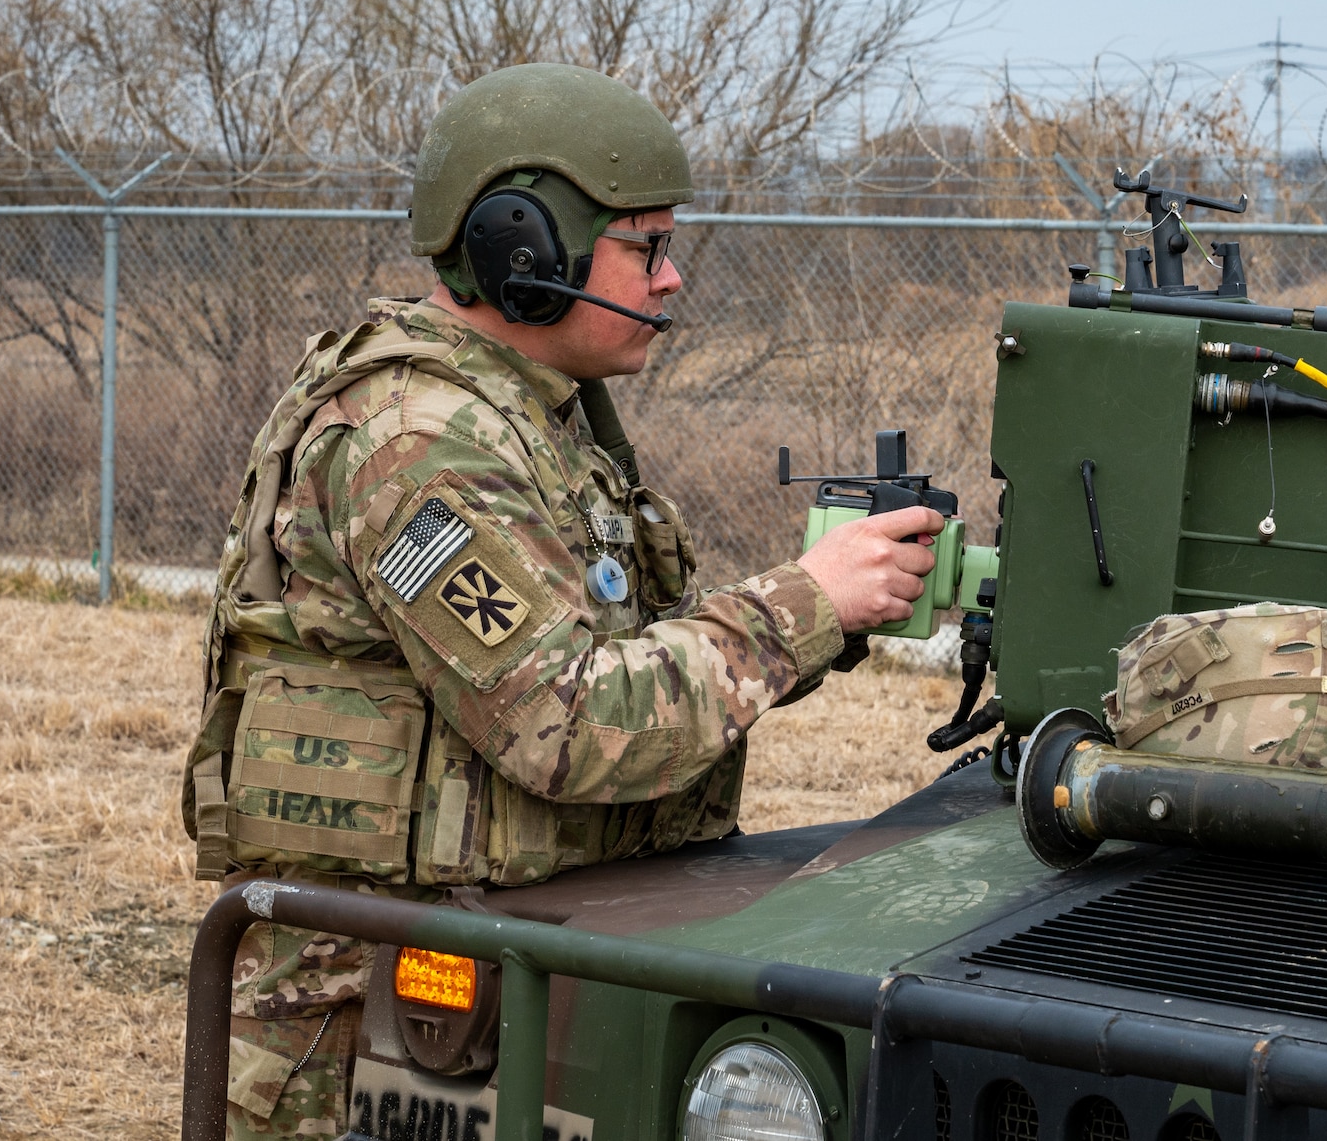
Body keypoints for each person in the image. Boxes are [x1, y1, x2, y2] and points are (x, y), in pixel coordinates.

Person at [180, 62, 940, 1138]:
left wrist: (834, 605)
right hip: (361, 1026)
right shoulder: (419, 444)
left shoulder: (532, 418)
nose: (671, 280)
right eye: (647, 247)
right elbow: (568, 722)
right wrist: (804, 602)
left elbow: (628, 652)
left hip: (490, 970)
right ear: (522, 255)